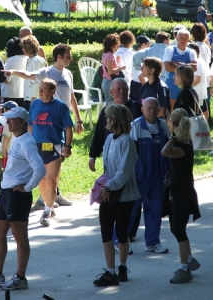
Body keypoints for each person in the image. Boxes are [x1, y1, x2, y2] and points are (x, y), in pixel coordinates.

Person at [2, 43, 84, 207]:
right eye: (68, 55)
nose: (71, 58)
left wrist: (78, 119)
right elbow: (29, 75)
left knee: (58, 161)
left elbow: (71, 96)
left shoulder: (68, 74)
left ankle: (54, 194)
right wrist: (14, 72)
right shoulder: (46, 72)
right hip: (47, 123)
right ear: (59, 56)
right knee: (44, 164)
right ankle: (46, 197)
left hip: (62, 122)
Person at [0, 107, 45, 290]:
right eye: (8, 119)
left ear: (22, 122)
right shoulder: (16, 137)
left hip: (17, 195)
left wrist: (27, 187)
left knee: (19, 236)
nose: (9, 122)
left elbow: (40, 168)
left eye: (13, 119)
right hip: (6, 191)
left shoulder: (27, 142)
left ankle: (20, 278)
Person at [92, 104, 140, 287]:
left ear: (117, 120)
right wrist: (101, 184)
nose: (107, 120)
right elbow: (108, 168)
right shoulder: (110, 139)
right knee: (105, 231)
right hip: (108, 193)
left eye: (109, 117)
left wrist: (109, 186)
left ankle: (122, 266)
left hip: (123, 194)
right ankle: (110, 271)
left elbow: (125, 171)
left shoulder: (127, 141)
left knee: (121, 231)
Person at [161, 108, 201, 284]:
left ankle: (185, 268)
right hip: (180, 190)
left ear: (175, 124)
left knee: (178, 229)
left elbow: (164, 152)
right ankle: (190, 260)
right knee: (177, 228)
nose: (168, 123)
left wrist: (172, 138)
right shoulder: (185, 144)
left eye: (170, 121)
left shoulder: (181, 147)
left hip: (182, 193)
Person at [28, 78, 74, 226]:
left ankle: (47, 211)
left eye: (43, 89)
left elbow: (68, 128)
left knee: (51, 180)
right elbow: (30, 125)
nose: (40, 92)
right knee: (41, 180)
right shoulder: (34, 104)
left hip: (54, 147)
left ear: (52, 91)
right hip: (37, 147)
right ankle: (48, 204)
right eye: (39, 89)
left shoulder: (60, 106)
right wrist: (28, 143)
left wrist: (68, 146)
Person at [129, 97, 171, 254]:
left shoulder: (163, 126)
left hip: (158, 177)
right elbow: (130, 153)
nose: (152, 111)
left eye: (155, 108)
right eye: (149, 108)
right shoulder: (135, 126)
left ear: (160, 108)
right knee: (131, 210)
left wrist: (168, 172)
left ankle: (152, 242)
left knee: (155, 211)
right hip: (139, 177)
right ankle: (120, 241)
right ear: (142, 109)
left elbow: (168, 152)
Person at [89, 78, 142, 173]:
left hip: (133, 155)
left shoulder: (137, 108)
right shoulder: (106, 111)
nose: (122, 91)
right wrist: (92, 156)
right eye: (118, 89)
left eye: (125, 89)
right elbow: (99, 134)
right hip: (111, 155)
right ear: (111, 92)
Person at [163, 29, 197, 110]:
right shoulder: (170, 50)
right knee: (172, 109)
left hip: (185, 85)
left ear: (188, 39)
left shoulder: (192, 52)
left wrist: (178, 64)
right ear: (177, 38)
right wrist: (187, 67)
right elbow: (167, 67)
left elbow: (195, 67)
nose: (183, 40)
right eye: (181, 38)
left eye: (185, 38)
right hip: (172, 84)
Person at [1, 37, 28, 108]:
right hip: (24, 94)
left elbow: (6, 78)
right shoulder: (27, 58)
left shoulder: (12, 60)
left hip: (11, 94)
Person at [21, 35, 46, 111]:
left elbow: (36, 81)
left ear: (28, 48)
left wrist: (33, 100)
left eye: (23, 47)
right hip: (31, 97)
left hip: (32, 98)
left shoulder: (35, 61)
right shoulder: (37, 60)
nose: (22, 49)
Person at [187, 43, 210, 120]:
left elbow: (197, 79)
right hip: (200, 92)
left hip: (197, 92)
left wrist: (186, 86)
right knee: (203, 112)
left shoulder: (197, 62)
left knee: (197, 115)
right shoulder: (200, 60)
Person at [101, 33, 124, 104]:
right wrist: (120, 68)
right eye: (117, 44)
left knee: (111, 103)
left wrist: (117, 61)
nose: (118, 46)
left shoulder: (105, 54)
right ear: (113, 45)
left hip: (106, 81)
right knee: (111, 104)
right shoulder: (110, 55)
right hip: (109, 82)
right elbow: (110, 71)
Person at [129, 35, 151, 101]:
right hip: (140, 85)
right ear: (144, 44)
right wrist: (147, 89)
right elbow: (140, 75)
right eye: (148, 44)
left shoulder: (134, 54)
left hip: (135, 83)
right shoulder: (139, 56)